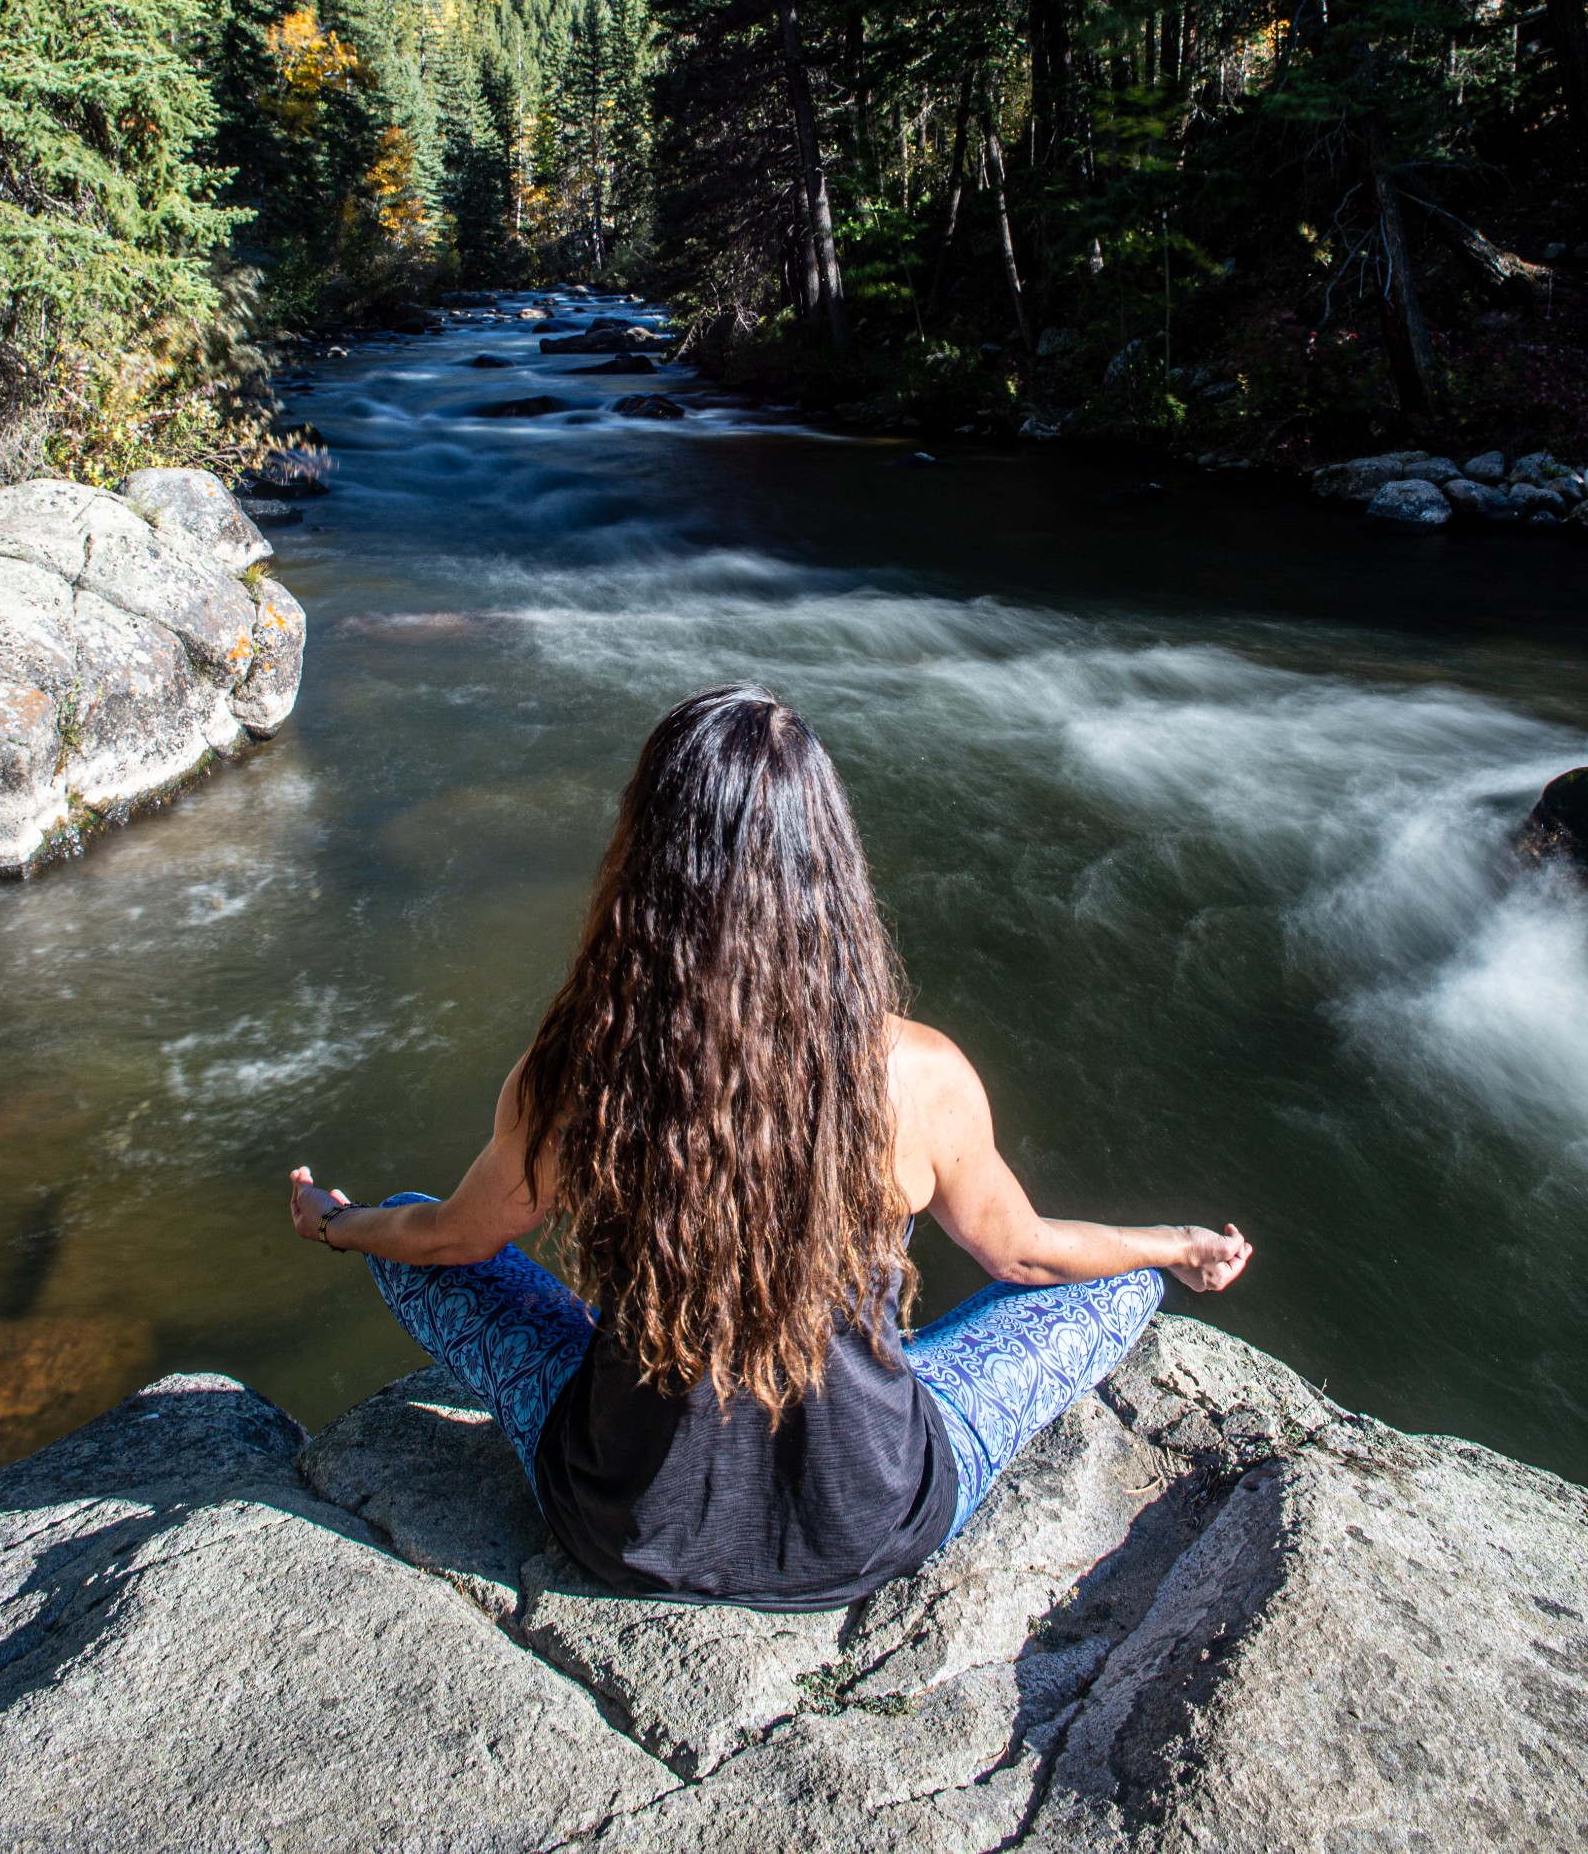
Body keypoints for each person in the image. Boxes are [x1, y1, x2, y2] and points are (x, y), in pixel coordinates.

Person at [289, 685, 1251, 1609]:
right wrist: (1173, 1244)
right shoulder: (917, 1074)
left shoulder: (580, 1067)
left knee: (409, 1222)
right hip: (871, 1524)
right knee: (1121, 1285)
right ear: (827, 864)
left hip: (619, 1527)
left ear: (648, 856)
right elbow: (1022, 1252)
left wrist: (342, 1225)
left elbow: (454, 1243)